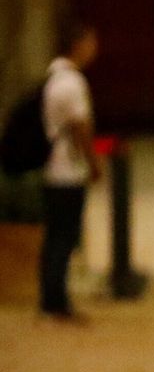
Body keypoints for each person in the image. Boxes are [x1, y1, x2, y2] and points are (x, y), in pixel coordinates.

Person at [38, 24, 101, 322]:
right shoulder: (72, 83)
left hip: (52, 167)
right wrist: (93, 161)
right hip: (66, 168)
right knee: (64, 236)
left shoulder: (52, 78)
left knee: (54, 236)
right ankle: (56, 300)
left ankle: (51, 297)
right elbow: (80, 126)